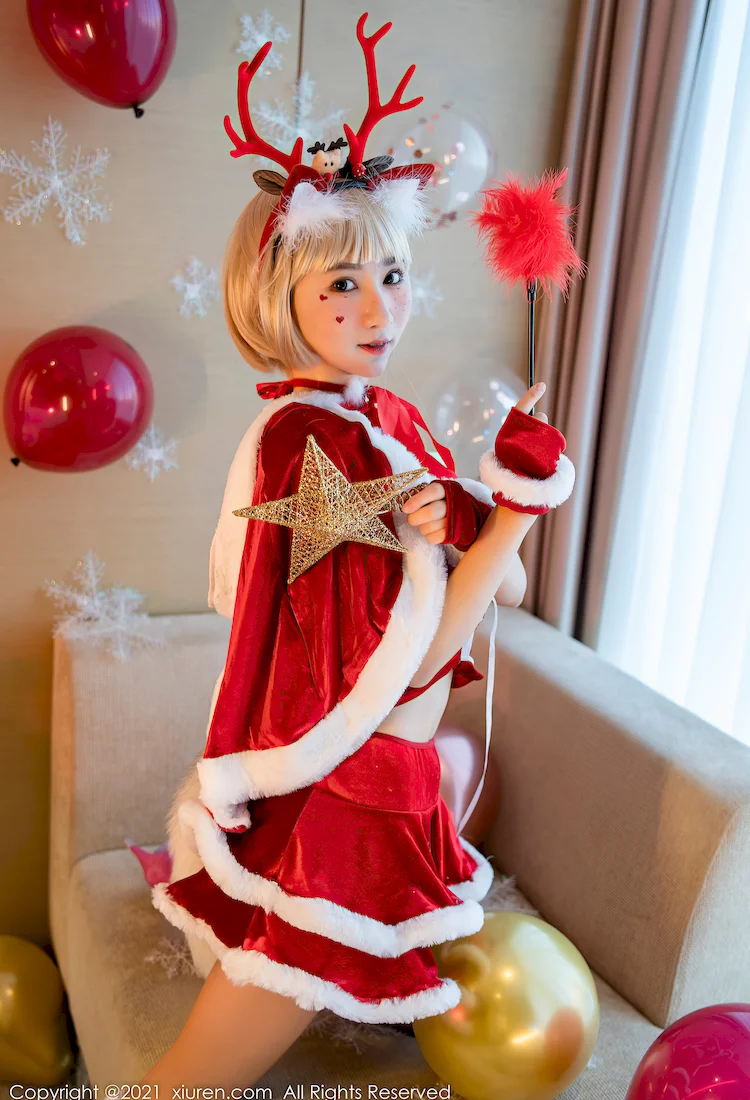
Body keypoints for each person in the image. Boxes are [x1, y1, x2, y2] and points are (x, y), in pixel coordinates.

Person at [142, 12, 575, 1090]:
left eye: (392, 274)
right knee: (184, 1083)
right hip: (349, 800)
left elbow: (506, 591)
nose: (379, 307)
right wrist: (516, 510)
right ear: (278, 297)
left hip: (389, 783)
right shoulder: (312, 444)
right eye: (342, 284)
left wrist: (492, 505)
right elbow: (412, 666)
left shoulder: (389, 421)